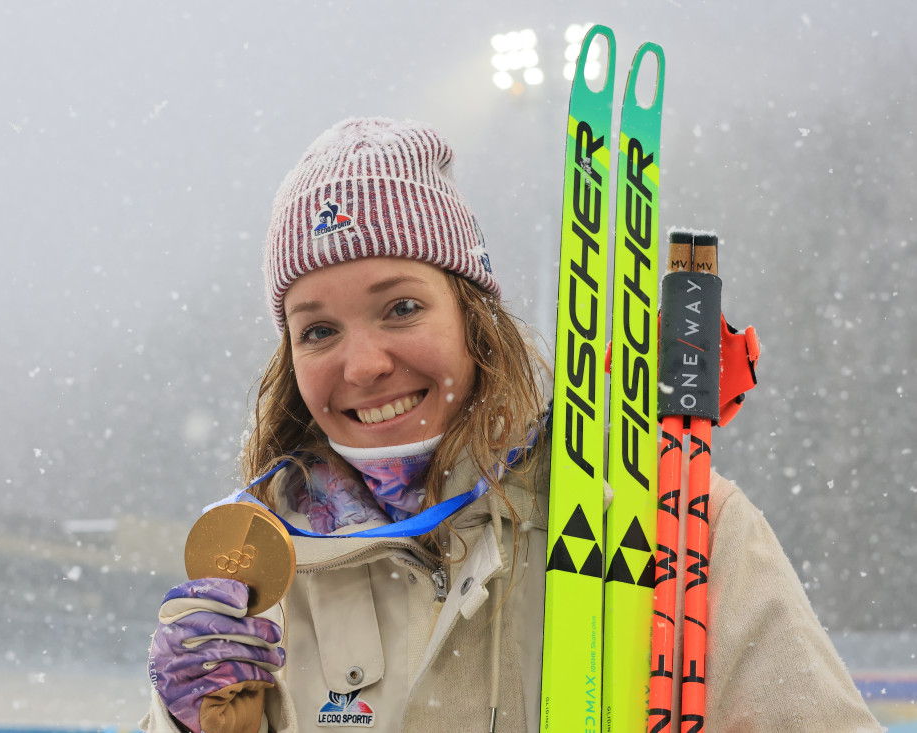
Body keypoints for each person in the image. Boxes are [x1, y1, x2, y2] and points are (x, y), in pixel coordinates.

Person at [141, 117, 881, 732]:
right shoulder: (261, 574)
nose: (362, 364)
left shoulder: (669, 516)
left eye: (401, 307)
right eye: (318, 330)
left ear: (475, 316)